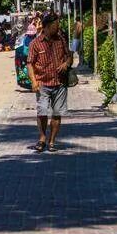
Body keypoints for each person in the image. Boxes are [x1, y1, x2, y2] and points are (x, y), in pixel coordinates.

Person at [27, 13, 72, 153]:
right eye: (55, 25)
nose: (58, 28)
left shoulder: (61, 40)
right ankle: (42, 138)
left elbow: (69, 56)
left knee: (57, 113)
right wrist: (33, 82)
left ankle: (52, 141)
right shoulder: (35, 43)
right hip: (42, 83)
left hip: (60, 83)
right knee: (42, 112)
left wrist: (66, 64)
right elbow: (29, 64)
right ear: (46, 27)